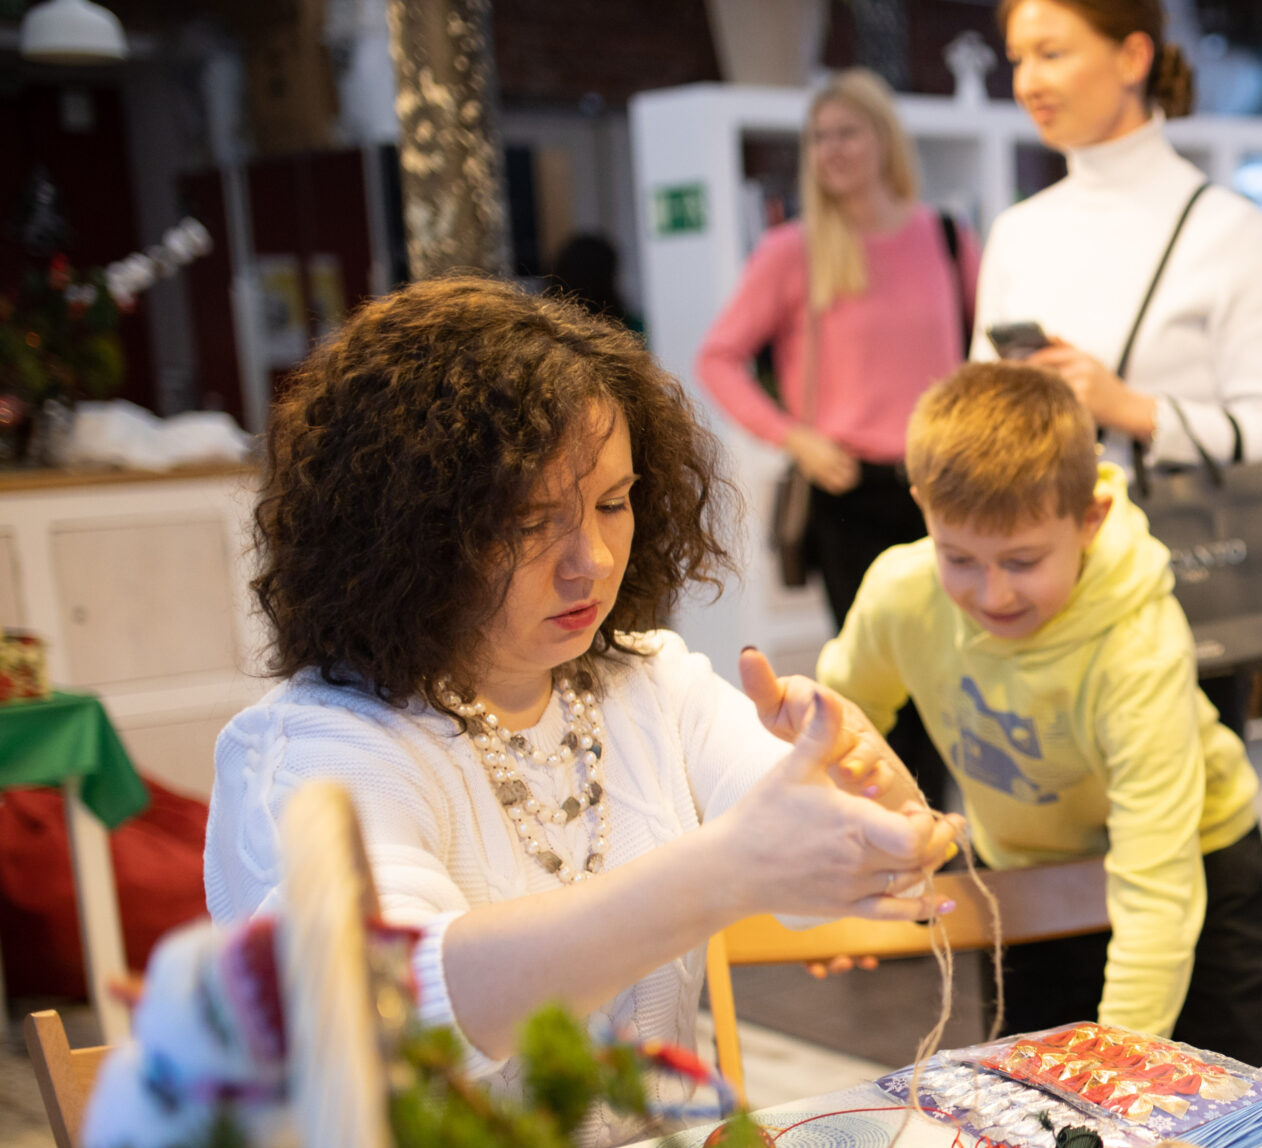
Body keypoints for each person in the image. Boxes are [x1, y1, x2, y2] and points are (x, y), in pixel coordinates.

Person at [208, 278, 959, 1097]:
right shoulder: (317, 749)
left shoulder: (651, 683)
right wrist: (724, 870)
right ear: (403, 533)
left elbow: (843, 879)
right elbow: (393, 1011)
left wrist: (868, 807)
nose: (592, 560)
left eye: (613, 503)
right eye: (530, 523)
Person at [816, 362, 1262, 1067]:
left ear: (1090, 518)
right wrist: (854, 868)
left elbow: (1156, 883)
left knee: (1213, 1100)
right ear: (923, 508)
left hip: (1197, 872)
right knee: (1033, 1099)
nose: (994, 593)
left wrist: (1114, 1065)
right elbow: (841, 730)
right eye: (961, 558)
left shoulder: (1139, 644)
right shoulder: (900, 594)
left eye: (1023, 559)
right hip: (1028, 880)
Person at [977, 0, 1262, 731]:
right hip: (1034, 596)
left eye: (1052, 53)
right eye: (1017, 59)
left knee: (1180, 827)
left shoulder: (1227, 229)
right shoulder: (1018, 233)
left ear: (1132, 59)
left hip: (1178, 592)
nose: (1028, 81)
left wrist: (1129, 408)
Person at [697, 69, 975, 802]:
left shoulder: (945, 236)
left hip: (943, 484)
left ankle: (936, 832)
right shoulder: (794, 249)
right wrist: (797, 439)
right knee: (882, 679)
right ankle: (904, 835)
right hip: (848, 491)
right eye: (819, 138)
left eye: (847, 132)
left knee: (951, 673)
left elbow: (985, 348)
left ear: (884, 138)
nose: (832, 150)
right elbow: (718, 357)